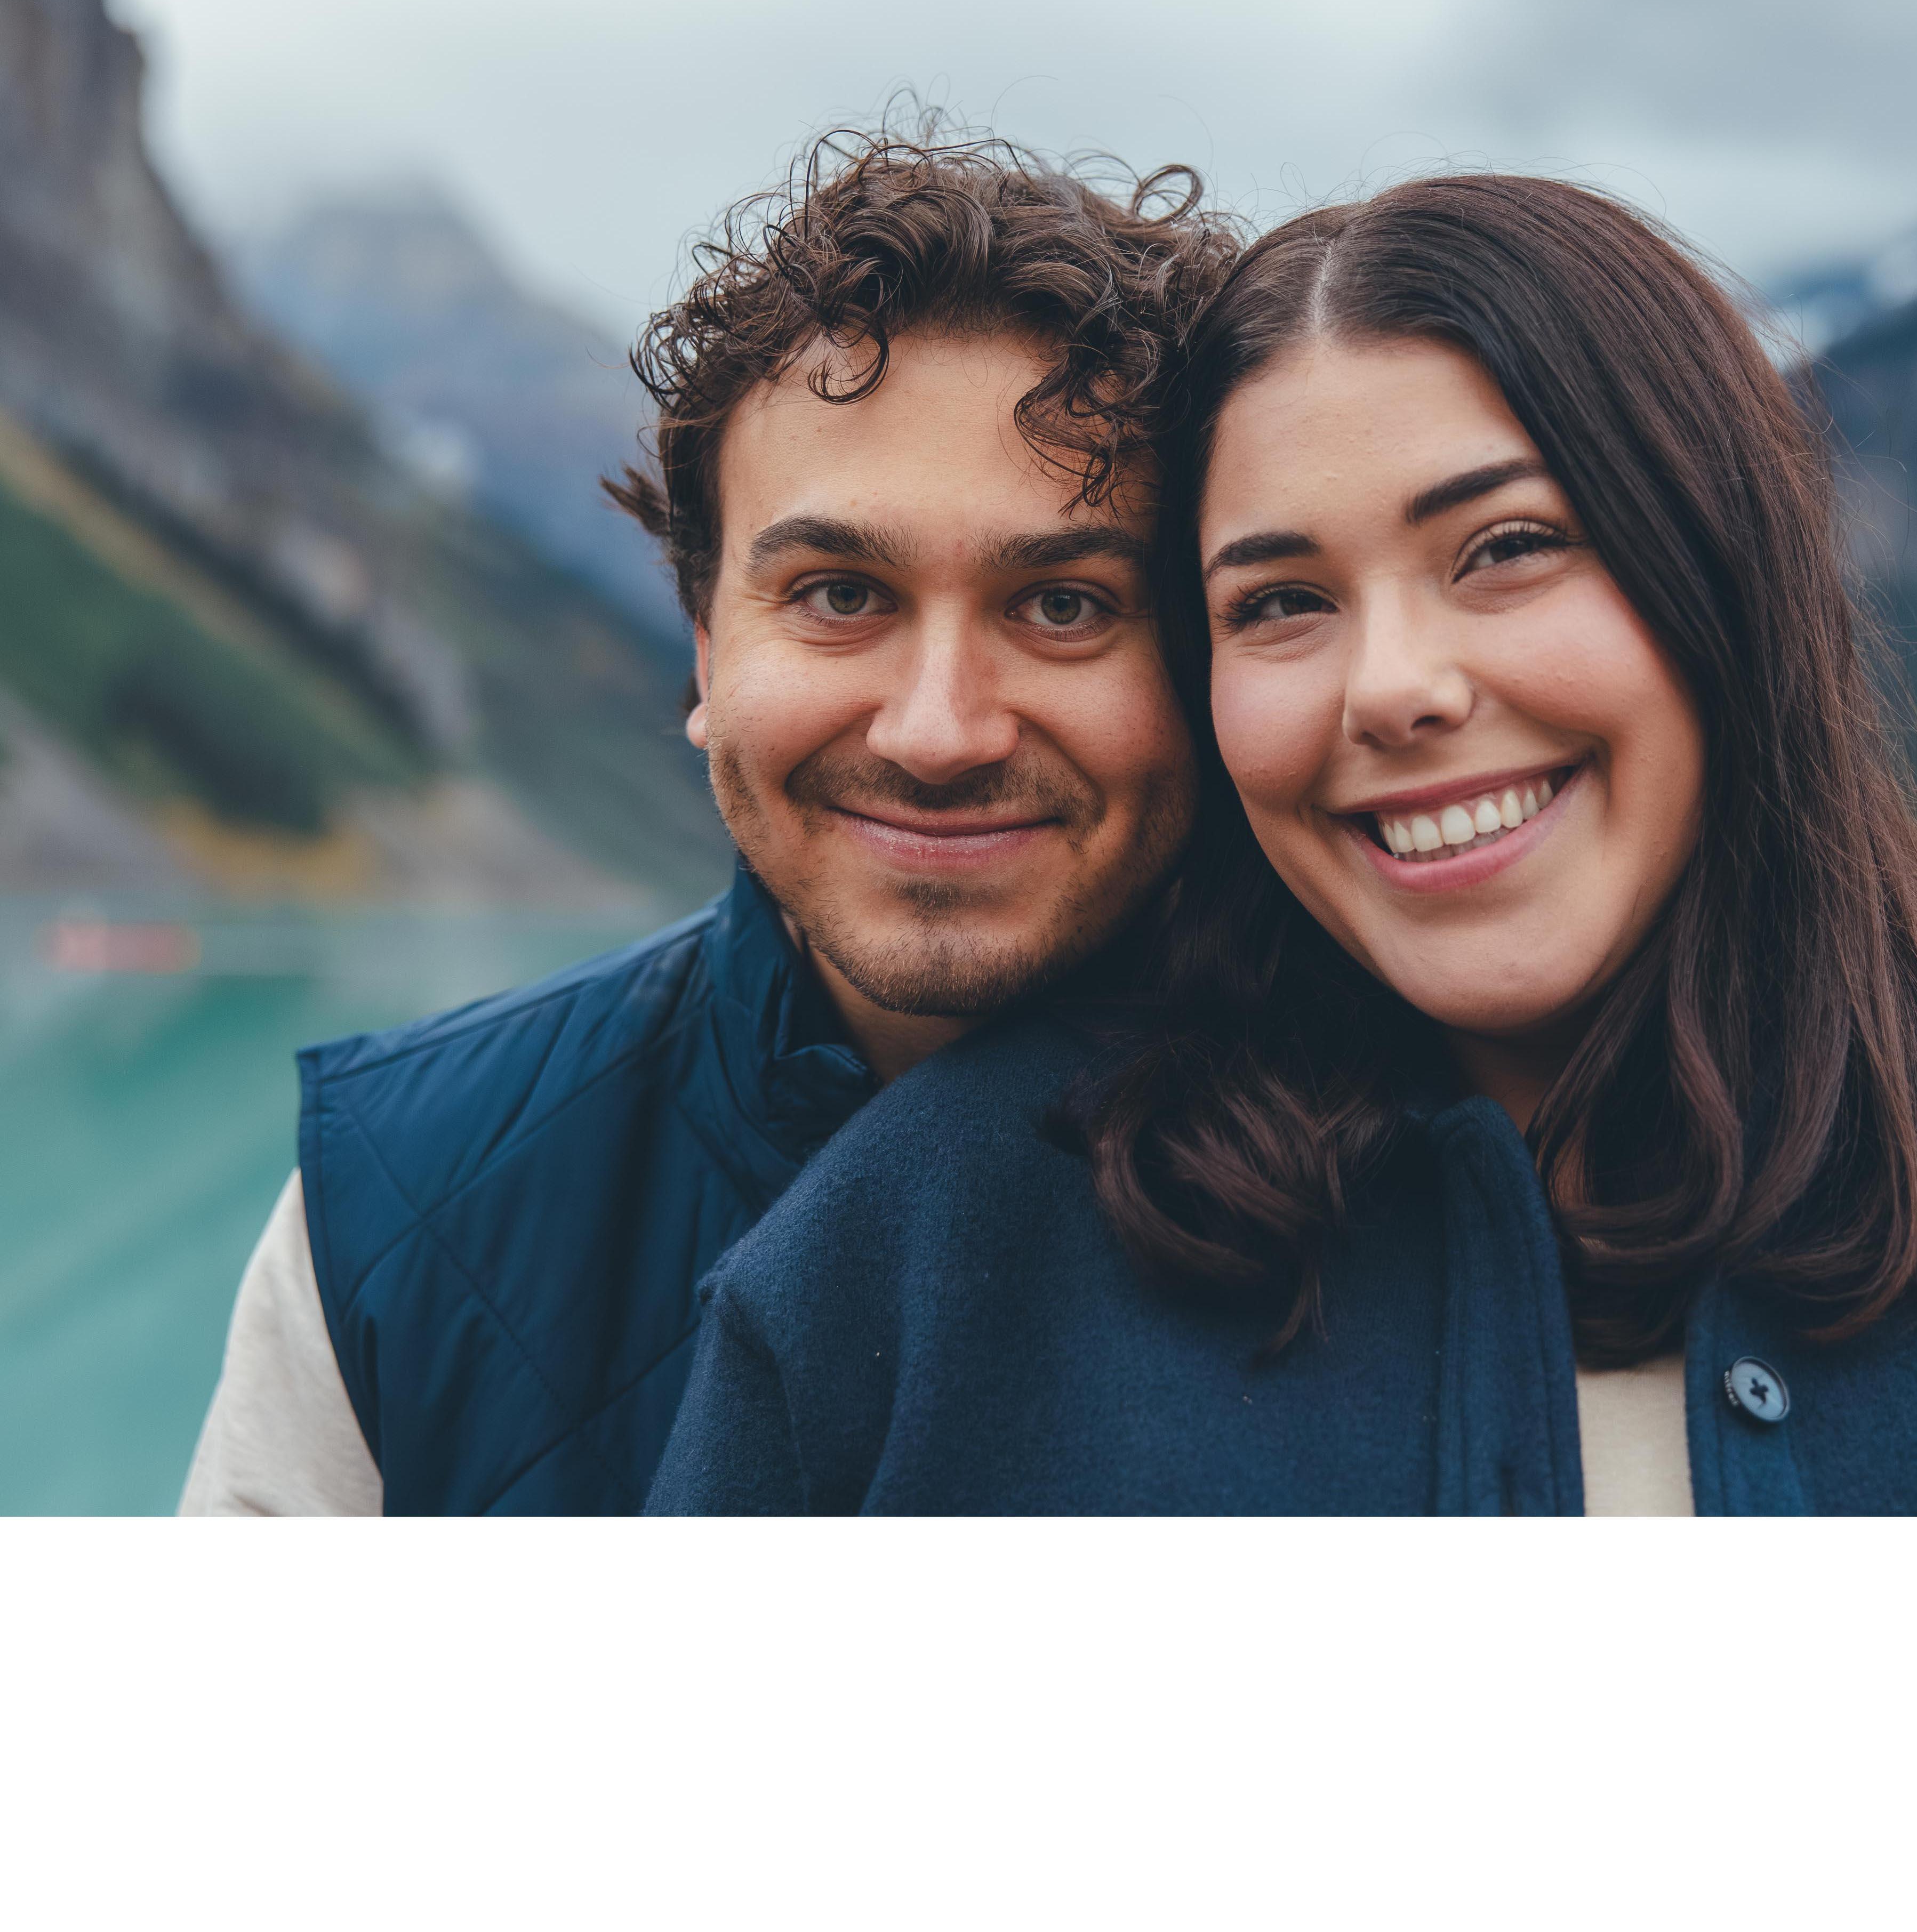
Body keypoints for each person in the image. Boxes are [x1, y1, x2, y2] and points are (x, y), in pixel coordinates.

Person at [650, 174, 1917, 1514]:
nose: (1396, 687)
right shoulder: (930, 1255)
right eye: (1279, 601)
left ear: (1723, 581)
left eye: (1508, 548)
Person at [178, 127, 1233, 1514]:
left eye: (1064, 604)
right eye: (841, 595)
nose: (936, 730)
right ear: (704, 647)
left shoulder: (1437, 1158)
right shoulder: (392, 1207)